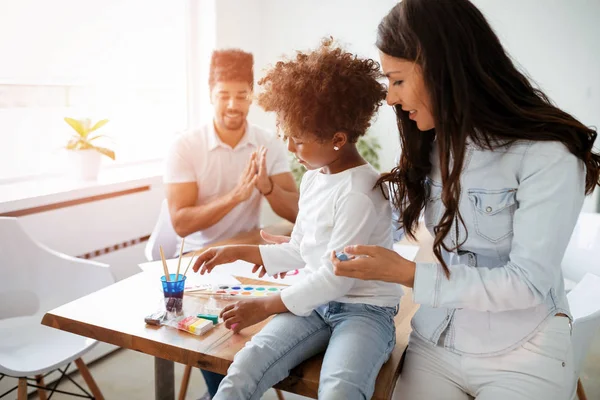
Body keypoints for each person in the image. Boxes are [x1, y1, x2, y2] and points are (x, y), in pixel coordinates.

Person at [329, 1, 600, 399]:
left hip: (524, 348)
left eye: (398, 80)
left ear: (440, 68)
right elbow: (394, 222)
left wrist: (408, 274)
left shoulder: (547, 154)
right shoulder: (436, 143)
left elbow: (525, 283)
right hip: (438, 338)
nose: (390, 98)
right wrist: (322, 234)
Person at [191, 39, 404, 400]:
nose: (290, 149)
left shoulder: (359, 192)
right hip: (313, 304)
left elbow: (336, 278)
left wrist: (264, 306)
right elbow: (306, 250)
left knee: (340, 388)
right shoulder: (315, 177)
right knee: (245, 365)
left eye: (299, 140)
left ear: (337, 139)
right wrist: (242, 251)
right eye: (287, 137)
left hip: (364, 311)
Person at [163, 49, 299, 399]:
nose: (233, 105)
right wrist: (236, 196)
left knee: (276, 331)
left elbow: (298, 212)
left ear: (252, 96)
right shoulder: (185, 145)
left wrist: (267, 187)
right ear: (211, 95)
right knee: (224, 349)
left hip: (246, 258)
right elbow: (180, 223)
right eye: (224, 95)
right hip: (200, 261)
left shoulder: (268, 142)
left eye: (242, 95)